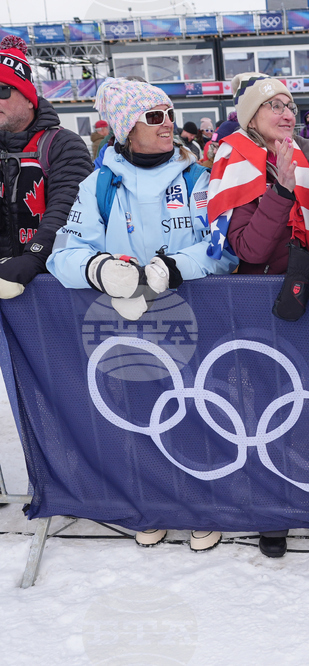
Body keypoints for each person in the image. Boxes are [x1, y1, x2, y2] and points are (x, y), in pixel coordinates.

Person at [46, 78, 239, 551]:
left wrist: (172, 268)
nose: (167, 123)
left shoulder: (197, 178)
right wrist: (99, 269)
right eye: (154, 116)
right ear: (126, 128)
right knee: (135, 417)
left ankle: (201, 505)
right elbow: (64, 253)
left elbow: (222, 249)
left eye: (169, 114)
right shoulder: (99, 184)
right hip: (124, 324)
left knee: (195, 414)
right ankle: (152, 505)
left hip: (192, 320)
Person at [207, 74, 309, 557]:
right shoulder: (234, 159)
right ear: (251, 116)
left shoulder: (297, 160)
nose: (288, 113)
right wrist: (282, 192)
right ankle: (274, 513)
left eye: (290, 105)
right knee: (267, 413)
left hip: (305, 301)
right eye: (275, 105)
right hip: (260, 310)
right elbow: (247, 248)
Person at [0, 36, 92, 299]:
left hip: (52, 282)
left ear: (30, 99)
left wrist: (34, 258)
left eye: (3, 90)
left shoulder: (64, 144)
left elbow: (67, 210)